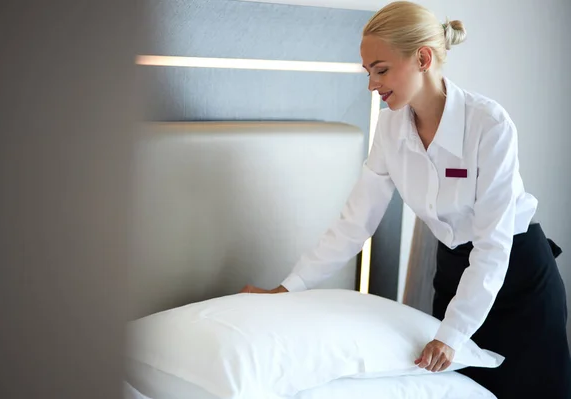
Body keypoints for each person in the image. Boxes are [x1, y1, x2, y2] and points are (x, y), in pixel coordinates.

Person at [240, 1, 571, 397]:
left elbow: (493, 244)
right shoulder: (391, 129)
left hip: (518, 280)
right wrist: (289, 288)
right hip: (453, 274)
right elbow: (354, 223)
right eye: (368, 72)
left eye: (381, 70)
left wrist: (453, 333)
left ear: (423, 58)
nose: (371, 85)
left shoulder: (489, 125)